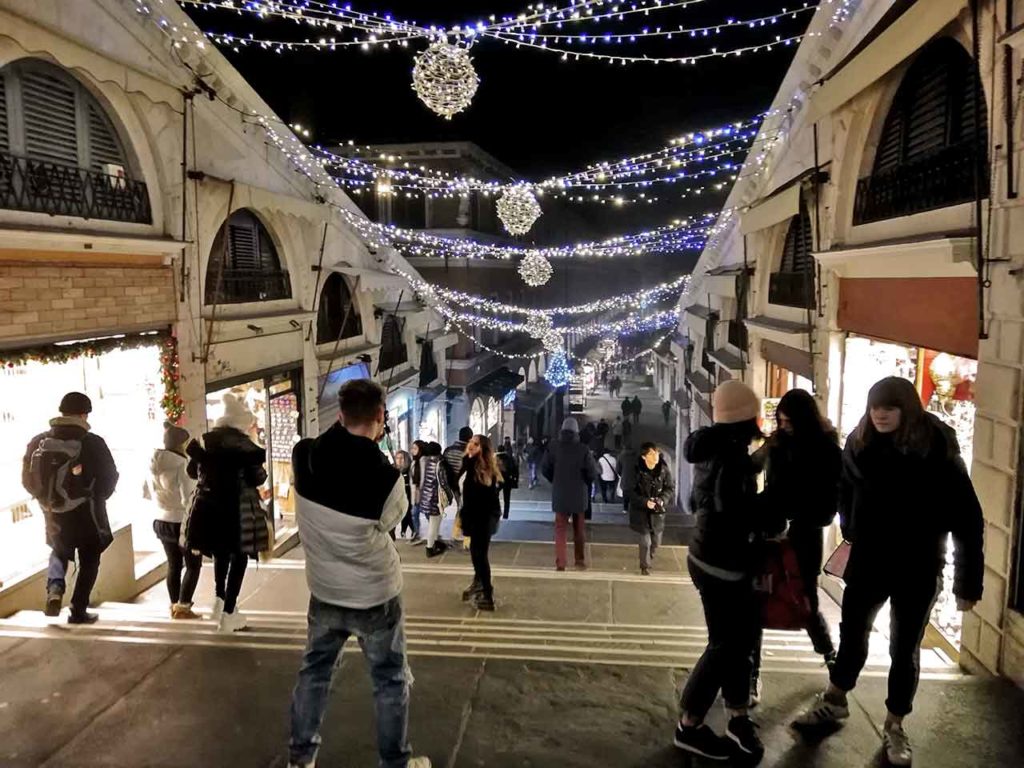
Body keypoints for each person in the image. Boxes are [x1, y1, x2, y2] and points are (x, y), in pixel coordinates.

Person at [794, 377, 984, 766]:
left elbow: (968, 519)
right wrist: (850, 527)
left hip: (918, 564)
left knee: (904, 647)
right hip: (869, 560)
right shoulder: (859, 444)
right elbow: (845, 489)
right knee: (853, 634)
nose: (880, 414)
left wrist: (969, 581)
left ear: (907, 409)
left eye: (890, 407)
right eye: (875, 406)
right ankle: (835, 700)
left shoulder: (937, 449)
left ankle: (895, 723)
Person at [288, 379, 431, 768]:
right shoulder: (387, 480)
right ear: (381, 418)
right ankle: (395, 762)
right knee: (389, 679)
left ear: (339, 414)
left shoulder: (304, 456)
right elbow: (390, 523)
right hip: (375, 596)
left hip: (325, 590)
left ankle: (301, 759)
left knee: (314, 673)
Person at [675, 380, 777, 763]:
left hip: (707, 556)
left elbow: (706, 495)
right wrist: (771, 507)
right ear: (747, 419)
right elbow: (736, 511)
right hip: (723, 564)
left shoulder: (714, 446)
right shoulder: (731, 458)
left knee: (740, 639)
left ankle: (737, 713)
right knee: (727, 644)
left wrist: (762, 457)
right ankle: (690, 723)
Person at [749, 390, 840, 703]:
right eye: (781, 420)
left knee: (806, 601)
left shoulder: (826, 449)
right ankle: (751, 675)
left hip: (803, 536)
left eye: (789, 421)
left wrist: (794, 513)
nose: (784, 425)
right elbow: (762, 478)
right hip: (768, 531)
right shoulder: (779, 443)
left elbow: (828, 504)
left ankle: (830, 655)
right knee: (757, 602)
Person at [22, 392, 118, 624]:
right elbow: (109, 476)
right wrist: (96, 496)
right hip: (88, 513)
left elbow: (27, 479)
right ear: (84, 414)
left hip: (53, 512)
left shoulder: (38, 441)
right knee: (89, 559)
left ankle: (55, 588)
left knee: (58, 550)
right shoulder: (92, 442)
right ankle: (77, 610)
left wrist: (46, 500)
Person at [183, 393, 270, 633]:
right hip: (238, 508)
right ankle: (230, 613)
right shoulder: (245, 445)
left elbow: (192, 471)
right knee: (239, 556)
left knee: (220, 553)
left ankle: (219, 600)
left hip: (208, 505)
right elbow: (257, 477)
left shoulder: (205, 441)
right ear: (240, 422)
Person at [146, 421, 201, 620]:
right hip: (182, 521)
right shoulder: (182, 465)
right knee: (193, 565)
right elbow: (189, 498)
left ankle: (174, 605)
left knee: (173, 564)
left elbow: (145, 493)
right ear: (181, 444)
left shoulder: (153, 463)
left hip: (161, 520)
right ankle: (183, 607)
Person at [541, 418, 599, 571]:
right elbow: (592, 473)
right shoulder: (583, 449)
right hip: (579, 495)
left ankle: (561, 563)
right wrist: (585, 482)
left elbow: (544, 469)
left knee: (560, 529)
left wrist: (555, 479)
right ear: (576, 432)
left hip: (560, 494)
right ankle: (579, 560)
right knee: (579, 529)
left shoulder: (553, 447)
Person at [458, 435, 504, 611]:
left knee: (480, 557)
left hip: (482, 519)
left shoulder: (482, 468)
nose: (470, 445)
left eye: (476, 444)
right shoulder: (468, 463)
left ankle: (488, 594)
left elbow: (480, 499)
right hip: (474, 517)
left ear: (482, 449)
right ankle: (479, 584)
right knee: (476, 556)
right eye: (470, 442)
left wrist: (468, 519)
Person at [629, 443, 674, 576]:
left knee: (655, 542)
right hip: (641, 513)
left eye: (656, 453)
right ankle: (645, 567)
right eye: (651, 454)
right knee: (645, 542)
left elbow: (669, 488)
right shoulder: (636, 472)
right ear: (644, 457)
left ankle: (650, 557)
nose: (655, 456)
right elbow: (630, 492)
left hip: (658, 513)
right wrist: (645, 502)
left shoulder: (664, 470)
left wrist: (662, 500)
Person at [416, 441, 449, 557]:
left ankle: (434, 543)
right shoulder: (440, 463)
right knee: (433, 524)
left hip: (427, 496)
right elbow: (443, 482)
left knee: (434, 522)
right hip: (435, 498)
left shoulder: (425, 460)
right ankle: (429, 548)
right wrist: (449, 495)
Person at [408, 440, 425, 544]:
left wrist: (421, 488)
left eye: (415, 448)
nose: (412, 450)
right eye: (412, 448)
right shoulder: (413, 462)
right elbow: (411, 478)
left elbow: (423, 476)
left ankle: (434, 531)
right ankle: (417, 533)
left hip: (422, 491)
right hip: (415, 491)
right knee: (414, 512)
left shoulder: (423, 460)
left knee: (427, 513)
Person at [496, 437, 518, 520]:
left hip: (498, 480)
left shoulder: (495, 458)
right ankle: (506, 515)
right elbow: (514, 468)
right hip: (508, 480)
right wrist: (515, 479)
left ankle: (497, 511)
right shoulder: (509, 458)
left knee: (495, 495)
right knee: (507, 499)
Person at [395, 450, 414, 539]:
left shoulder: (409, 470)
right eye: (397, 458)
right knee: (404, 514)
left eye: (401, 458)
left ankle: (409, 531)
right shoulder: (394, 469)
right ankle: (405, 531)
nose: (399, 460)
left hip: (408, 495)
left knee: (407, 513)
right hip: (397, 496)